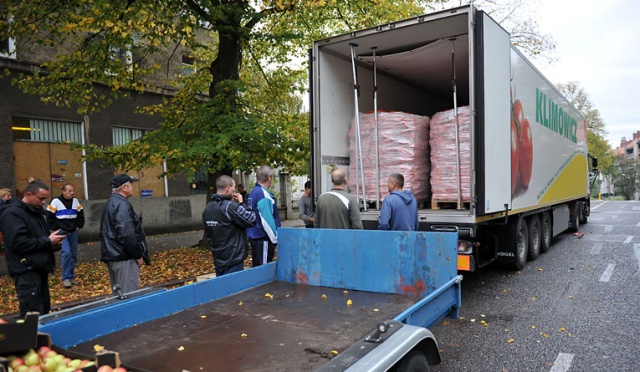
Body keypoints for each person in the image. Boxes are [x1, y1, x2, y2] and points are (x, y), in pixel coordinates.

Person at [1, 181, 66, 318]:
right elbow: (17, 243)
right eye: (41, 198)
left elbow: (40, 239)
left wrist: (52, 243)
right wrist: (48, 241)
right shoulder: (12, 214)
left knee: (42, 309)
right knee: (31, 314)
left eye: (45, 198)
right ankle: (29, 339)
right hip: (25, 269)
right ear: (28, 194)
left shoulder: (36, 212)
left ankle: (40, 338)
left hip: (39, 267)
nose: (43, 202)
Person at [100, 174, 150, 294]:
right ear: (124, 187)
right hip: (123, 257)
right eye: (131, 185)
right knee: (129, 296)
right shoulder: (122, 205)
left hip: (114, 255)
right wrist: (138, 255)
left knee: (119, 296)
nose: (133, 188)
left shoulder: (111, 202)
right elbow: (127, 234)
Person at [202, 176, 256, 276]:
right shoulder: (230, 206)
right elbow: (251, 219)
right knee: (235, 289)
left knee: (223, 288)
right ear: (228, 188)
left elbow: (208, 233)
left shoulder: (208, 207)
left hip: (218, 258)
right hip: (233, 259)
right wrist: (241, 203)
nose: (235, 190)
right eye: (234, 187)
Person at [47, 183, 85, 288]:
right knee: (66, 253)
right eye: (69, 191)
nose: (72, 193)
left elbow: (80, 213)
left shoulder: (76, 201)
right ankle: (65, 278)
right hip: (62, 232)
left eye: (73, 191)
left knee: (73, 255)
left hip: (73, 231)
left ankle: (71, 277)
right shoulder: (56, 201)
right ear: (63, 191)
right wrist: (55, 228)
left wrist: (79, 225)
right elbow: (49, 216)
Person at [247, 166, 281, 267]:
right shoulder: (263, 194)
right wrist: (275, 240)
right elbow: (267, 220)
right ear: (269, 177)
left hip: (255, 236)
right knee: (264, 269)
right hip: (263, 238)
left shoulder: (254, 192)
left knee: (258, 267)